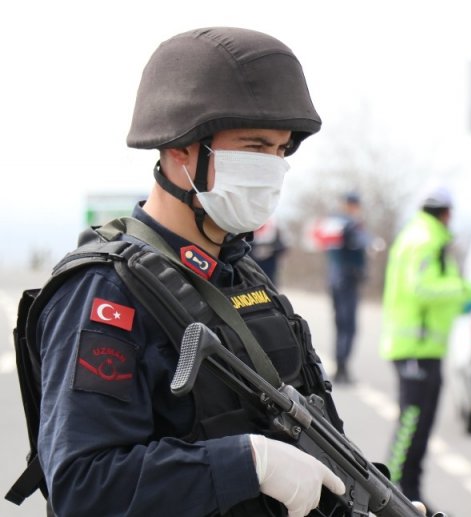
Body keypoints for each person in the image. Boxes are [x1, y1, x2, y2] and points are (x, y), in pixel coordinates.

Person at [29, 27, 360, 517]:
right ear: (178, 147)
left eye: (280, 150)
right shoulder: (106, 292)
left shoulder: (244, 273)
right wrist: (247, 462)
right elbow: (84, 486)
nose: (271, 168)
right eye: (253, 147)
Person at [380, 186, 471, 514]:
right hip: (414, 347)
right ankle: (392, 495)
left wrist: (465, 302)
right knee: (412, 423)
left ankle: (411, 495)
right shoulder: (424, 240)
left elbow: (434, 297)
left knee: (421, 423)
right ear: (445, 213)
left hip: (425, 347)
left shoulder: (426, 237)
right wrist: (467, 290)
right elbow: (423, 288)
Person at [325, 191, 369, 384]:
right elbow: (363, 242)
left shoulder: (333, 223)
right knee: (348, 326)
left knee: (340, 324)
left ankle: (339, 365)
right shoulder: (351, 224)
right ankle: (342, 367)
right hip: (348, 280)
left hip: (335, 279)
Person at [251, 217, 288, 286]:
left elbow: (282, 246)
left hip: (269, 266)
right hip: (251, 266)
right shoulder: (250, 224)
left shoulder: (276, 226)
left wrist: (270, 250)